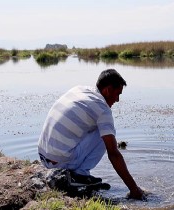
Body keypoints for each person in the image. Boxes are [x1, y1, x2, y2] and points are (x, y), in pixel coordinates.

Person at [38, 69, 145, 200]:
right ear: (108, 90)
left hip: (44, 156)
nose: (117, 100)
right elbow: (113, 153)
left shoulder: (79, 89)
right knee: (107, 134)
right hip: (59, 162)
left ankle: (76, 171)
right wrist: (134, 189)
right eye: (117, 94)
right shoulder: (102, 110)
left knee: (98, 128)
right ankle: (79, 176)